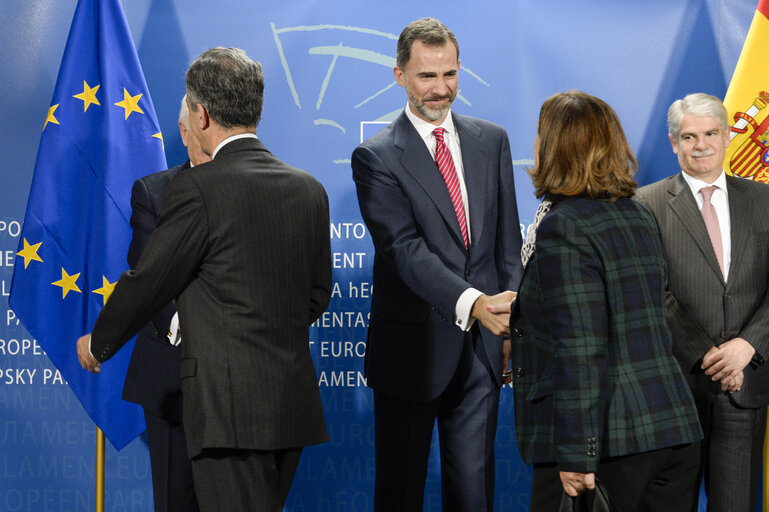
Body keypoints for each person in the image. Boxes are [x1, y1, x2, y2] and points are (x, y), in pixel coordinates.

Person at [76, 47, 332, 512]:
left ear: (201, 113)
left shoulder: (196, 188)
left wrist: (99, 344)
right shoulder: (308, 189)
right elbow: (317, 295)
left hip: (224, 410)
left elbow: (149, 281)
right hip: (288, 406)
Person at [351, 17, 522, 511]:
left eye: (449, 74)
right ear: (399, 75)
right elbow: (404, 249)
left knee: (473, 495)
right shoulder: (376, 155)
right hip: (411, 351)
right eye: (427, 76)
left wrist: (509, 329)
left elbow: (508, 245)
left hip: (482, 353)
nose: (441, 89)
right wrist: (474, 303)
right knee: (400, 493)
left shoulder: (492, 140)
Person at [509, 91, 702, 511]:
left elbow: (581, 348)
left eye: (541, 135)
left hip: (608, 446)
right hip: (671, 430)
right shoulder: (636, 213)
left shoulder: (564, 227)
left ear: (555, 146)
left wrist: (577, 453)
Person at [635, 92, 769, 512]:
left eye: (711, 133)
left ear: (727, 136)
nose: (702, 145)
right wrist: (708, 354)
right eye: (689, 136)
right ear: (674, 143)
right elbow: (650, 290)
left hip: (746, 383)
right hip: (676, 387)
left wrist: (747, 346)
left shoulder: (765, 200)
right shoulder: (645, 205)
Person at [122, 95, 208, 512]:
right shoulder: (154, 193)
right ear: (185, 129)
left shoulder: (264, 186)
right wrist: (191, 325)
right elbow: (147, 277)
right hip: (172, 379)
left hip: (245, 380)